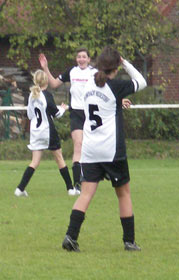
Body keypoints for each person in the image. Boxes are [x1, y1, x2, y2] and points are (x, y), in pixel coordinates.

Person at [61, 47, 146, 252]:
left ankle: (70, 237)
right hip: (111, 150)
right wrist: (125, 63)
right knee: (123, 194)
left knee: (86, 194)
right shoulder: (115, 85)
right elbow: (141, 82)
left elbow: (101, 99)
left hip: (90, 150)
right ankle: (129, 241)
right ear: (116, 67)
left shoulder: (90, 82)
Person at [39, 48, 97, 195]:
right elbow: (53, 84)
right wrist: (45, 67)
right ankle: (77, 184)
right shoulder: (72, 71)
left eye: (84, 57)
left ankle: (95, 175)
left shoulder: (94, 73)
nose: (81, 59)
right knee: (78, 145)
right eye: (79, 57)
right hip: (76, 113)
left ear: (89, 59)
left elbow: (107, 89)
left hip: (91, 114)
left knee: (90, 148)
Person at [14, 69, 75, 197]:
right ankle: (70, 189)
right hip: (48, 131)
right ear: (46, 81)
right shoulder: (47, 95)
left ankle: (20, 189)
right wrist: (63, 108)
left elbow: (30, 115)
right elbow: (56, 114)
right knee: (59, 158)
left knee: (34, 162)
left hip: (35, 131)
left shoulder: (32, 95)